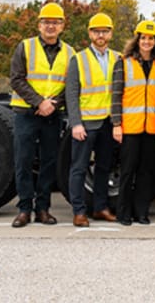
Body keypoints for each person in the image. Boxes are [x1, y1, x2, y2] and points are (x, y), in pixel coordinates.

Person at [9, 2, 75, 228]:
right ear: (39, 25)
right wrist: (39, 102)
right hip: (26, 113)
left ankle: (43, 209)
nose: (51, 26)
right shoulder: (25, 47)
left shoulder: (69, 52)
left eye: (55, 23)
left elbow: (72, 86)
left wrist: (53, 105)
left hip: (52, 115)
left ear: (62, 26)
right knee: (24, 160)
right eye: (47, 22)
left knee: (49, 163)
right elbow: (16, 79)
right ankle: (24, 209)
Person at [64, 12, 120, 227]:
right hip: (86, 124)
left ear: (110, 33)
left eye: (105, 31)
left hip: (108, 122)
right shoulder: (78, 59)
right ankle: (79, 211)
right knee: (78, 168)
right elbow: (71, 93)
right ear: (90, 33)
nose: (101, 35)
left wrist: (117, 122)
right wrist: (76, 123)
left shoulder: (117, 58)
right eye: (97, 31)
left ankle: (100, 208)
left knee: (104, 168)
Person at [111, 19, 155, 226]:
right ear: (137, 40)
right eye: (143, 38)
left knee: (146, 172)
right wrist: (116, 123)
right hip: (129, 127)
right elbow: (115, 95)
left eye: (150, 38)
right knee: (127, 171)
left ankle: (141, 213)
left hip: (151, 128)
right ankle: (123, 213)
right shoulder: (123, 62)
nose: (147, 42)